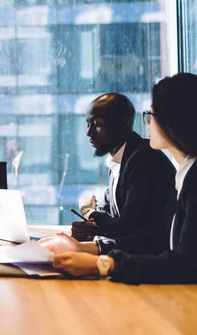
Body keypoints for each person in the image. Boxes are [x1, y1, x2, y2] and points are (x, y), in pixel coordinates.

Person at [42, 73, 197, 283]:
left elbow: (182, 264)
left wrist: (102, 263)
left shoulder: (168, 170)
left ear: (176, 120)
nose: (147, 122)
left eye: (151, 114)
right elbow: (155, 240)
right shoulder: (185, 175)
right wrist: (86, 247)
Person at [71, 93, 175, 255]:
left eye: (97, 124)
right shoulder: (120, 159)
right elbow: (110, 214)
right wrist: (89, 227)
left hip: (153, 263)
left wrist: (87, 212)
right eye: (88, 124)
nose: (89, 133)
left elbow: (126, 226)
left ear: (123, 123)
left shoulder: (143, 159)